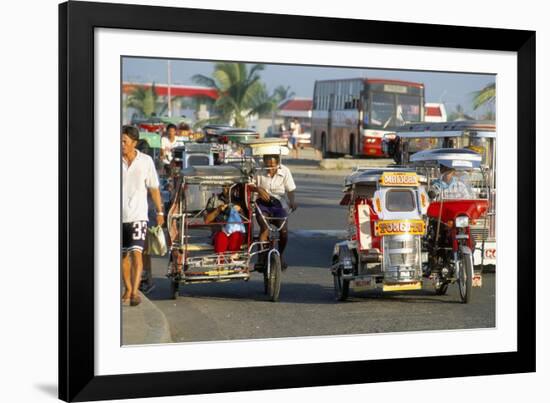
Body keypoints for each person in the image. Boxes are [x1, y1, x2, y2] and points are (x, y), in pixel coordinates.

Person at [122, 125, 164, 306]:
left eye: (125, 141)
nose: (121, 144)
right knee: (123, 257)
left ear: (134, 142)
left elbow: (153, 188)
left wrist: (160, 211)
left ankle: (134, 291)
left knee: (137, 254)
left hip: (139, 215)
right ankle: (127, 289)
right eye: (120, 141)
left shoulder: (146, 161)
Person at [251, 154, 297, 270]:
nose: (270, 168)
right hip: (262, 204)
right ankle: (261, 258)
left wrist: (292, 201)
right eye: (268, 166)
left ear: (278, 163)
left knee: (284, 231)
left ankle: (281, 256)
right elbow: (250, 184)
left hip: (279, 204)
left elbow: (290, 190)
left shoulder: (285, 171)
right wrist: (258, 189)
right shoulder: (258, 170)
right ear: (264, 162)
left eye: (273, 166)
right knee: (264, 228)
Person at [204, 185, 246, 260]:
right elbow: (207, 220)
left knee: (236, 235)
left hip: (235, 232)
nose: (227, 189)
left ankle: (231, 259)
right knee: (221, 236)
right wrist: (218, 210)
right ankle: (221, 261)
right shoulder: (214, 200)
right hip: (219, 232)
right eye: (225, 186)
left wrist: (240, 211)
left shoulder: (239, 201)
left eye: (230, 186)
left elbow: (245, 223)